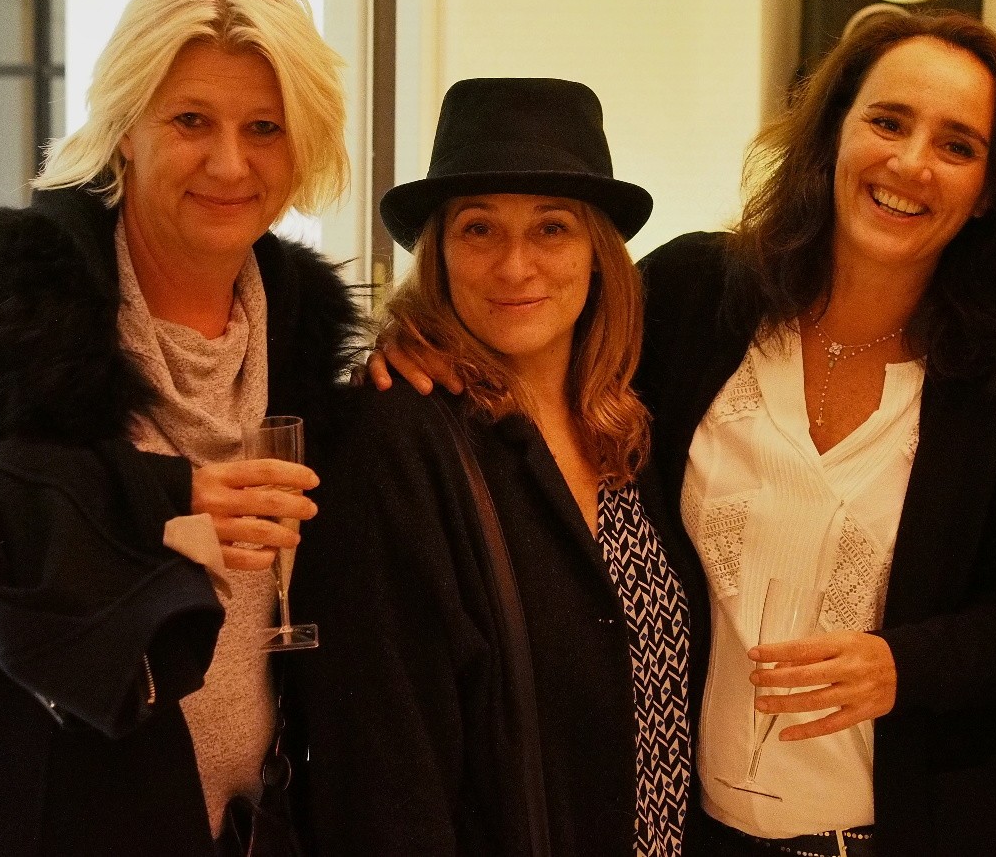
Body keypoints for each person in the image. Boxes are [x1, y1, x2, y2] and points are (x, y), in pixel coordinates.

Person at [374, 14, 996, 857]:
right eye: (888, 122)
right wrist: (415, 337)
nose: (911, 162)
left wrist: (908, 664)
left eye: (957, 145)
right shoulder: (698, 295)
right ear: (834, 134)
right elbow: (541, 318)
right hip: (693, 834)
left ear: (989, 188)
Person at [0, 0, 359, 857]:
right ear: (125, 129)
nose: (229, 163)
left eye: (265, 127)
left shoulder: (299, 321)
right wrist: (146, 504)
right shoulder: (15, 300)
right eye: (191, 121)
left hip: (243, 822)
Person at [291, 78, 705, 857]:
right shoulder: (397, 442)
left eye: (551, 228)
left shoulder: (625, 430)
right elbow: (383, 772)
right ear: (440, 254)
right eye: (479, 228)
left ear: (597, 254)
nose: (515, 266)